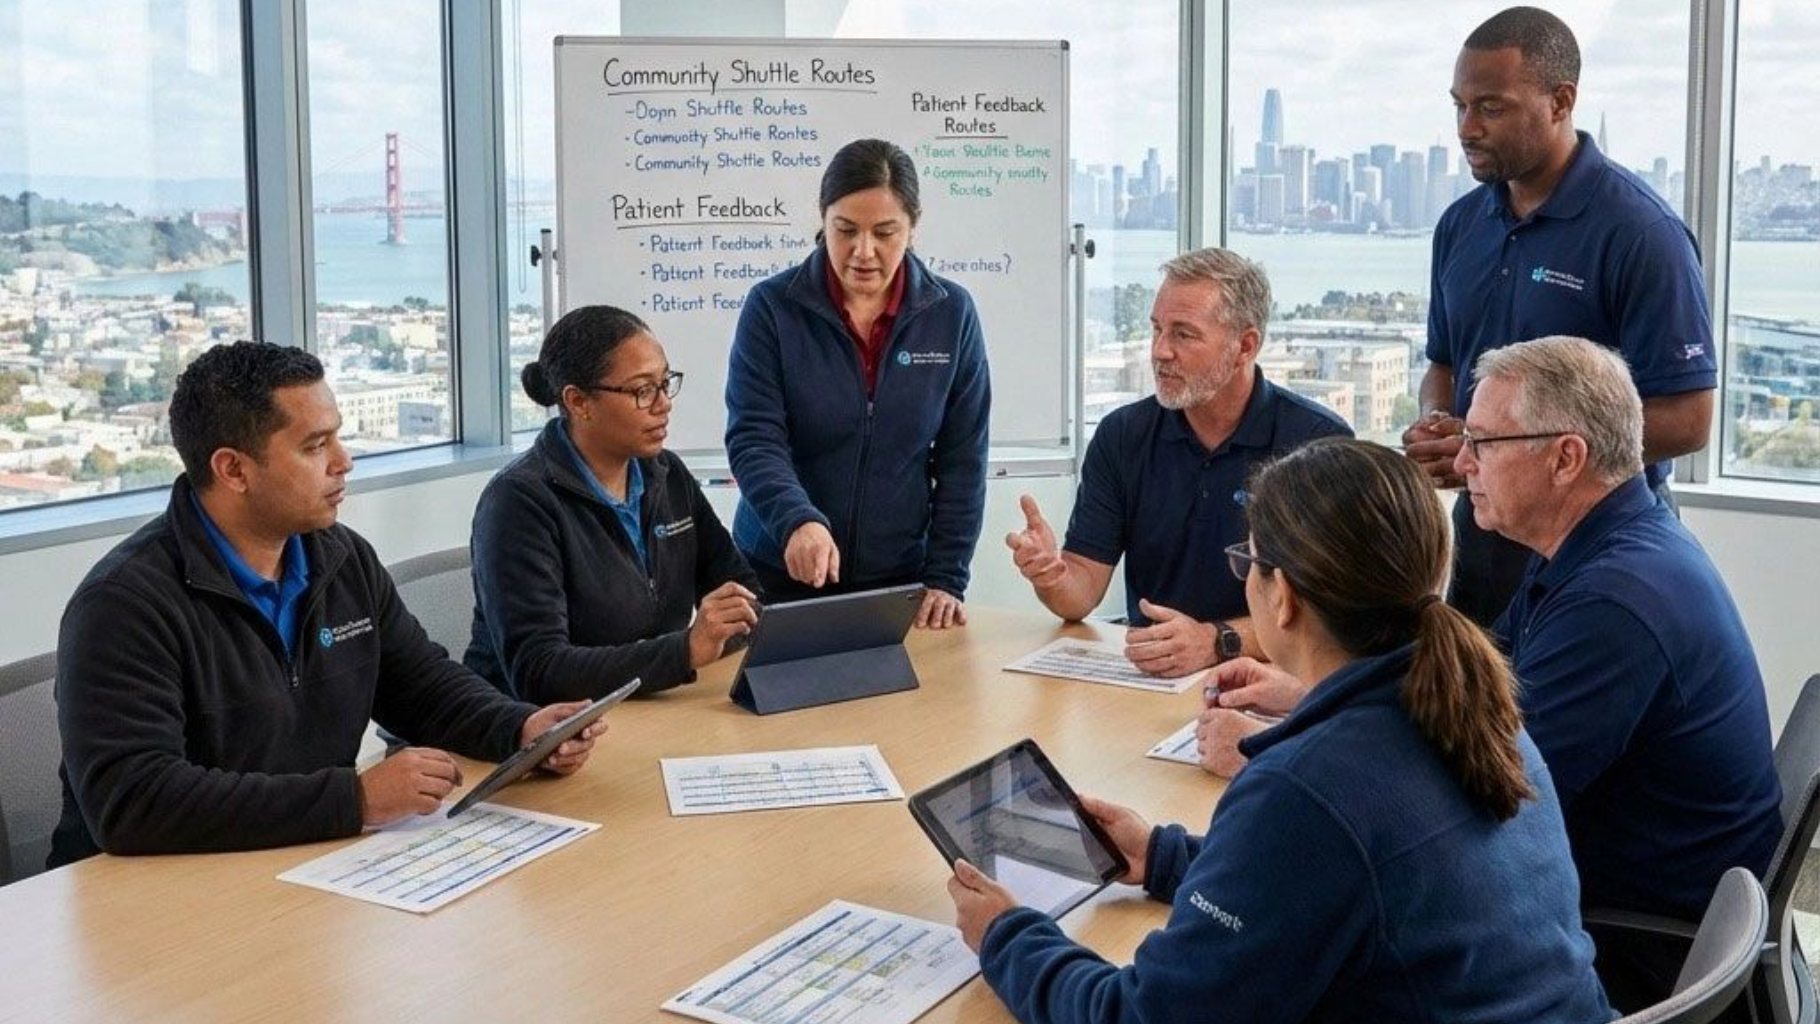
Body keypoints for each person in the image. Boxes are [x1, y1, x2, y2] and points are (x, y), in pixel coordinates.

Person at [948, 437, 1612, 1024]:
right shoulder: (1479, 712)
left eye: (1250, 562)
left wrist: (1005, 935)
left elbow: (1144, 1015)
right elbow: (1329, 880)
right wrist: (1161, 856)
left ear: (1283, 596)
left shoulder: (1308, 789)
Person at [1209, 337, 1782, 1011]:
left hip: (1628, 936)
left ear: (1565, 458)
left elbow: (1476, 791)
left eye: (1482, 442)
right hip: (1601, 899)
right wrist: (1313, 695)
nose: (1459, 462)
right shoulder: (1593, 549)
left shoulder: (1615, 602)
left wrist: (1266, 770)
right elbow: (1477, 701)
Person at [48, 341, 604, 868]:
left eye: (337, 438)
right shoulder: (124, 604)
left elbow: (422, 687)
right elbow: (133, 802)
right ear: (233, 469)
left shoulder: (338, 557)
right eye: (315, 447)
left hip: (298, 862)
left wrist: (522, 729)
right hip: (149, 901)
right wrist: (353, 800)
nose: (345, 461)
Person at [1405, 5, 1715, 627]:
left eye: (1491, 107)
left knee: (1550, 722)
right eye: (1459, 106)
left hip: (1596, 540)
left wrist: (1512, 452)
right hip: (1485, 533)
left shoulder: (1641, 233)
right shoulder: (1460, 226)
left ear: (1560, 100)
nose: (1467, 127)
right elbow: (1444, 361)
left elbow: (1689, 419)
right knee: (1471, 715)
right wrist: (1440, 426)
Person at [1006, 248, 1349, 676]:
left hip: (1273, 681)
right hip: (1152, 675)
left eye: (1183, 334)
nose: (1160, 351)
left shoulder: (1317, 443)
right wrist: (1052, 576)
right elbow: (1079, 595)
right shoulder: (1122, 436)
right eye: (1156, 329)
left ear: (1245, 345)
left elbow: (1330, 618)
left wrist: (1217, 641)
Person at [725, 137, 989, 630]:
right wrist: (797, 521)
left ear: (913, 228)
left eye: (885, 232)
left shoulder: (951, 314)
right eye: (844, 230)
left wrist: (947, 576)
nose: (863, 252)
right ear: (822, 220)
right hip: (779, 568)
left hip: (897, 578)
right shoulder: (771, 308)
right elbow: (754, 439)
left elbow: (963, 457)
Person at [465, 306, 760, 702]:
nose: (663, 404)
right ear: (578, 402)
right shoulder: (518, 501)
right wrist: (685, 651)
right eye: (642, 390)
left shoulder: (666, 474)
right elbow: (539, 671)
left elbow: (740, 588)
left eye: (665, 382)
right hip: (533, 730)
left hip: (647, 710)